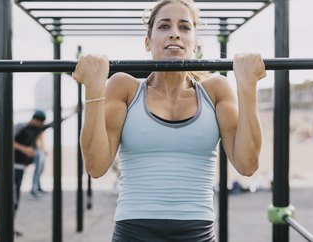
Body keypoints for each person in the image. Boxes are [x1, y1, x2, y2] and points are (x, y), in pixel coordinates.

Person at [72, 0, 266, 241]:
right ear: (147, 41)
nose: (175, 34)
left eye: (184, 27)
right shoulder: (125, 87)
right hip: (133, 231)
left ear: (195, 42)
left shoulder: (216, 90)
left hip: (197, 233)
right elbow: (95, 166)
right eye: (164, 26)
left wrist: (247, 86)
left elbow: (247, 164)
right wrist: (93, 87)